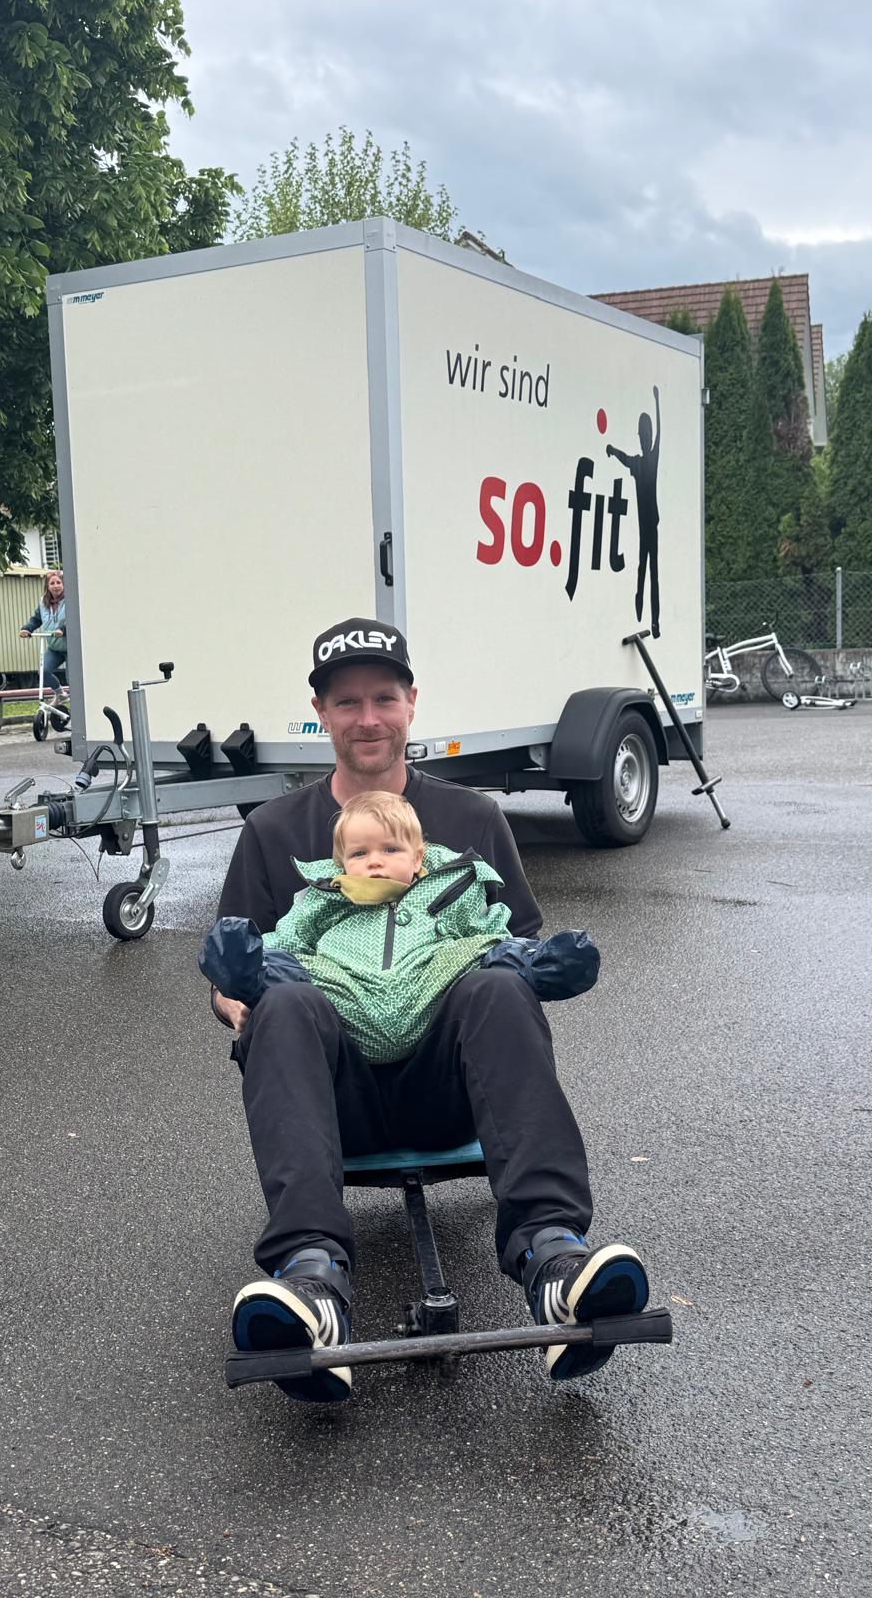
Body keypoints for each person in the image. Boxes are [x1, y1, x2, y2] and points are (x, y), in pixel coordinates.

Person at [213, 617, 649, 1405]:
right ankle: (310, 1281)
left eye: (384, 698)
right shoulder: (273, 833)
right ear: (320, 712)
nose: (368, 718)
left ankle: (553, 1255)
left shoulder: (473, 821)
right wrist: (246, 1000)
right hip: (331, 1101)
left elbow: (517, 948)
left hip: (452, 1091)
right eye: (347, 702)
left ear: (411, 703)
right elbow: (228, 983)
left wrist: (543, 967)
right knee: (282, 1001)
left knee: (498, 984)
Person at [201, 789, 601, 1064]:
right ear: (342, 864)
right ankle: (243, 971)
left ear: (417, 858)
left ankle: (546, 965)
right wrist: (253, 965)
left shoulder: (451, 887)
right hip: (345, 1001)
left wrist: (508, 950)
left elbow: (486, 930)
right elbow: (290, 936)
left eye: (390, 849)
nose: (374, 861)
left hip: (431, 996)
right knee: (292, 972)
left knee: (484, 955)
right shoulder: (326, 896)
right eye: (360, 853)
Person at [606, 385, 662, 639]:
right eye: (643, 434)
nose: (645, 438)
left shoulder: (651, 458)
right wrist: (612, 450)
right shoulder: (639, 463)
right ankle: (639, 609)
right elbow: (624, 457)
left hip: (651, 524)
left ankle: (654, 621)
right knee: (644, 568)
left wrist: (657, 401)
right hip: (645, 525)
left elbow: (661, 433)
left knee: (651, 571)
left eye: (646, 434)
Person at [19, 571, 70, 704]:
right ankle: (60, 694)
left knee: (73, 679)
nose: (56, 586)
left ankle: (78, 708)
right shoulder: (44, 603)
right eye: (52, 583)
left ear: (64, 584)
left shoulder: (70, 599)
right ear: (47, 586)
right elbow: (36, 619)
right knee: (43, 671)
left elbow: (73, 619)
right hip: (55, 647)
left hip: (70, 647)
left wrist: (63, 630)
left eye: (58, 582)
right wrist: (27, 629)